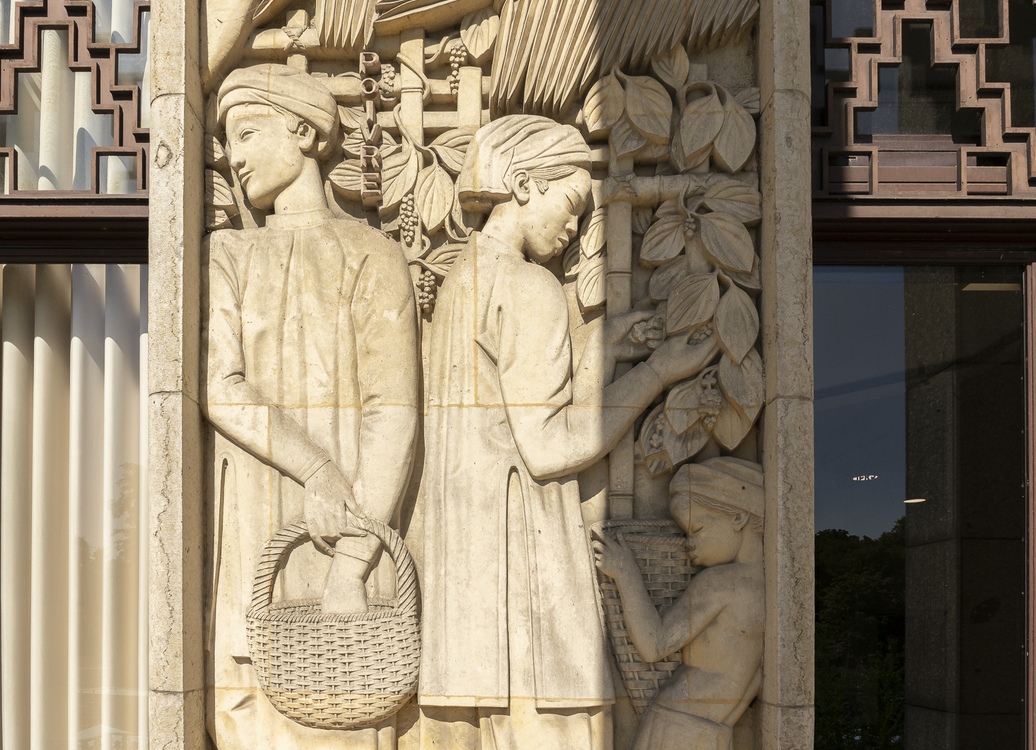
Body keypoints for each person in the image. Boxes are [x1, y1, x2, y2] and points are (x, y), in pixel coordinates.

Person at [418, 115, 718, 749]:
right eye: (572, 203)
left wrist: (596, 347)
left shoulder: (459, 284)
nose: (576, 228)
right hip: (527, 582)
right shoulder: (530, 290)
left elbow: (503, 414)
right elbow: (551, 447)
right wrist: (659, 373)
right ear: (525, 184)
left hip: (475, 588)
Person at [202, 63, 419, 750]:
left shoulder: (373, 256)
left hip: (344, 545)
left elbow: (396, 414)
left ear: (303, 131)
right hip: (253, 537)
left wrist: (352, 565)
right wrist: (316, 467)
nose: (233, 158)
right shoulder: (229, 252)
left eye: (246, 132)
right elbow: (219, 384)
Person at [592, 457, 765, 750]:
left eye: (696, 529)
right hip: (705, 728)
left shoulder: (719, 583)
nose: (688, 543)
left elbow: (653, 644)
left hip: (678, 725)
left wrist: (625, 572)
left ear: (738, 518)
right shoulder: (767, 587)